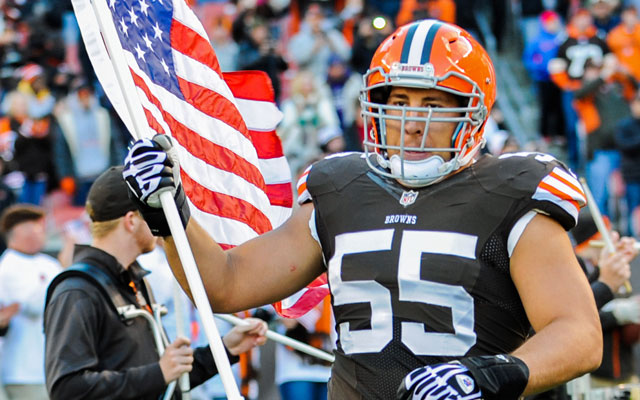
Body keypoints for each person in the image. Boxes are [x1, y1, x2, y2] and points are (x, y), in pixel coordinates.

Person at [123, 20, 602, 399]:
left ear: (473, 114)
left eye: (434, 105)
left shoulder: (512, 189)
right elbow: (226, 284)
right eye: (398, 104)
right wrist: (172, 216)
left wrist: (492, 375)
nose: (412, 125)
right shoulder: (341, 186)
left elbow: (580, 334)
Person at [43, 166, 268, 400]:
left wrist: (226, 348)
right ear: (131, 221)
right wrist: (159, 373)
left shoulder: (135, 281)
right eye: (153, 214)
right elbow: (67, 390)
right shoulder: (77, 290)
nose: (161, 224)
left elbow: (168, 380)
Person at [0, 204, 62, 399]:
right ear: (19, 232)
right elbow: (34, 305)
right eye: (35, 227)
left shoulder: (49, 263)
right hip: (23, 369)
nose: (40, 233)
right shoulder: (7, 267)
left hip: (54, 365)